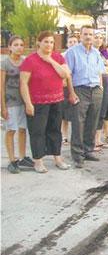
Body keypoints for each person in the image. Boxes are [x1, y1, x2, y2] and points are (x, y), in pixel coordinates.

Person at [19, 31, 76, 173]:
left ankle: (58, 158)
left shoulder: (57, 57)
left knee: (55, 130)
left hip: (56, 101)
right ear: (39, 43)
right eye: (46, 42)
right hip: (37, 102)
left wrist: (50, 60)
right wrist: (28, 103)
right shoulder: (30, 60)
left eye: (51, 42)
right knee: (37, 131)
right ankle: (38, 161)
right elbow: (23, 83)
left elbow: (65, 74)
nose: (49, 45)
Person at [65, 25, 106, 168]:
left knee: (92, 121)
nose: (89, 37)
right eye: (86, 34)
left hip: (95, 90)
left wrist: (100, 87)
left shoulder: (96, 53)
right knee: (78, 123)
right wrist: (71, 92)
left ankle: (88, 150)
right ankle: (77, 155)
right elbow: (68, 74)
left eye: (91, 34)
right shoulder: (72, 52)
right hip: (80, 90)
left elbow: (100, 71)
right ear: (80, 36)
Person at [1, 36, 34, 173]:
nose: (19, 47)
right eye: (16, 45)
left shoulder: (25, 61)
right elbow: (1, 86)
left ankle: (22, 157)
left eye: (21, 45)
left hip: (23, 101)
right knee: (11, 130)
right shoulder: (5, 63)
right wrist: (2, 106)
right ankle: (12, 160)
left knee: (22, 129)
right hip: (10, 102)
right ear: (10, 47)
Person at [93, 30, 108, 150]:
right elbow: (101, 70)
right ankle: (92, 141)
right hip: (96, 85)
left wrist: (105, 69)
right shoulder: (89, 52)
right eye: (96, 37)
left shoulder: (101, 54)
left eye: (101, 37)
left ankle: (98, 139)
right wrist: (105, 69)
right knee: (94, 113)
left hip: (105, 84)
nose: (99, 39)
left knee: (102, 112)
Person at [61, 34, 79, 146]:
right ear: (67, 44)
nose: (72, 44)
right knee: (64, 114)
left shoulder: (80, 55)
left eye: (75, 41)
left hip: (78, 87)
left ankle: (75, 136)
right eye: (70, 42)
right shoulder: (62, 56)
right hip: (65, 88)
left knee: (76, 114)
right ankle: (64, 136)